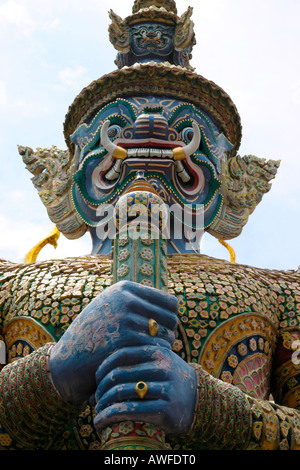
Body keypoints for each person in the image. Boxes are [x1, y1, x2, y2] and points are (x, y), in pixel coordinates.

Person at [0, 0, 299, 450]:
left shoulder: (284, 294)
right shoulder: (9, 285)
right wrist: (57, 368)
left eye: (185, 130)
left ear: (231, 175)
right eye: (115, 126)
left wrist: (210, 406)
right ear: (70, 168)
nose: (149, 128)